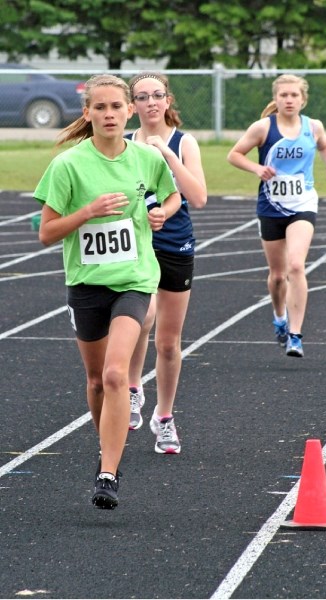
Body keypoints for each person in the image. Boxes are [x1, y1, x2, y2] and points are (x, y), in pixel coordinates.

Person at [33, 74, 181, 509]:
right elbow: (46, 233)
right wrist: (87, 212)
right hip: (86, 283)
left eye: (117, 106)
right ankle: (109, 443)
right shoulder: (68, 165)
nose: (110, 114)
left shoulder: (146, 159)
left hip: (134, 280)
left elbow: (170, 198)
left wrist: (161, 216)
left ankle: (108, 472)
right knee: (97, 381)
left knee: (118, 374)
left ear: (129, 111)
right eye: (101, 107)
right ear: (88, 113)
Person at [227, 74, 326, 358]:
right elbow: (234, 154)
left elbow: (325, 145)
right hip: (271, 207)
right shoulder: (263, 128)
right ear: (276, 99)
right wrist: (257, 169)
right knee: (278, 276)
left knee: (296, 266)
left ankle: (295, 335)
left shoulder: (313, 127)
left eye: (294, 95)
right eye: (283, 95)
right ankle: (280, 316)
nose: (289, 100)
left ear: (303, 99)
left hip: (303, 203)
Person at [125, 71, 207, 453]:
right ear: (132, 105)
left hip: (175, 244)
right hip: (136, 248)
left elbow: (199, 197)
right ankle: (132, 389)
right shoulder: (123, 145)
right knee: (142, 319)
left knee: (169, 343)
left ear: (168, 100)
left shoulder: (184, 142)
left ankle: (165, 417)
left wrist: (167, 153)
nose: (151, 102)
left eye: (158, 95)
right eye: (143, 97)